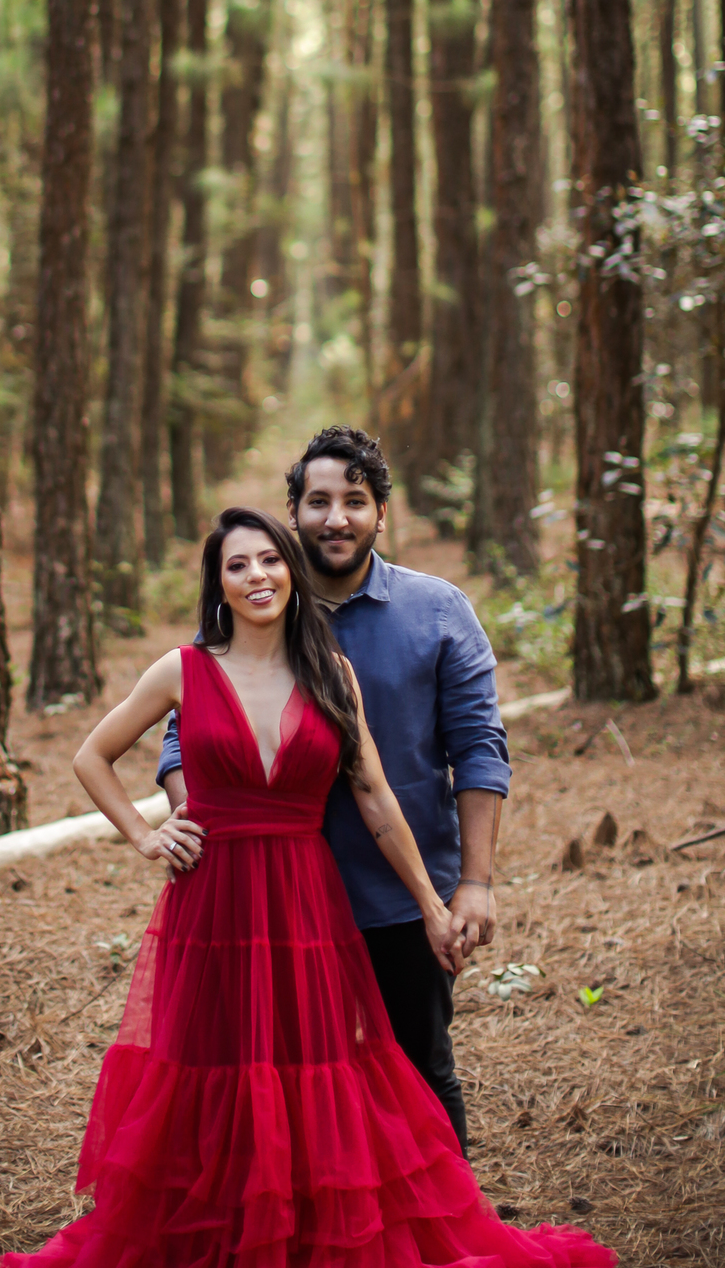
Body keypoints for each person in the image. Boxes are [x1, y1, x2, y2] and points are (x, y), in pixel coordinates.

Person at [0, 508, 615, 1268]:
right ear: (219, 581)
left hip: (308, 905)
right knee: (215, 1077)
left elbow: (379, 802)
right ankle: (221, 1260)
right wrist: (147, 836)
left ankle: (303, 1258)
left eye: (271, 559)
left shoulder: (330, 673)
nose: (259, 576)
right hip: (213, 906)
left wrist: (433, 904)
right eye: (239, 565)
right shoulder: (184, 669)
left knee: (317, 1076)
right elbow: (92, 755)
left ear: (291, 570)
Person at [158, 425, 507, 1151]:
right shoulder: (252, 609)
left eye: (354, 500)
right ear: (294, 513)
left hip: (397, 900)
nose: (336, 518)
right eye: (318, 501)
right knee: (278, 1081)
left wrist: (473, 882)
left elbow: (478, 751)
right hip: (267, 905)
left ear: (383, 511)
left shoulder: (439, 612)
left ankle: (440, 1242)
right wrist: (195, 825)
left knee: (417, 1069)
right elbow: (179, 733)